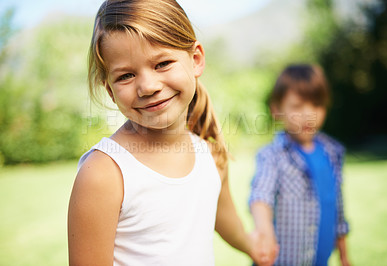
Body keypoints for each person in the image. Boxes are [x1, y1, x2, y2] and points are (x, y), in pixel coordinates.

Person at [68, 0, 270, 265]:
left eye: (162, 64)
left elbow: (223, 216)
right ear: (110, 91)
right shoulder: (104, 174)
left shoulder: (210, 155)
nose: (148, 86)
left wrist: (252, 245)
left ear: (196, 59)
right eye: (126, 75)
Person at [249, 64, 351, 266]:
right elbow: (261, 196)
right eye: (297, 106)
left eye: (316, 105)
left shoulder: (333, 152)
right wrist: (265, 232)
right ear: (277, 110)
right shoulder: (273, 156)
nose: (309, 114)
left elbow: (337, 209)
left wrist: (344, 255)